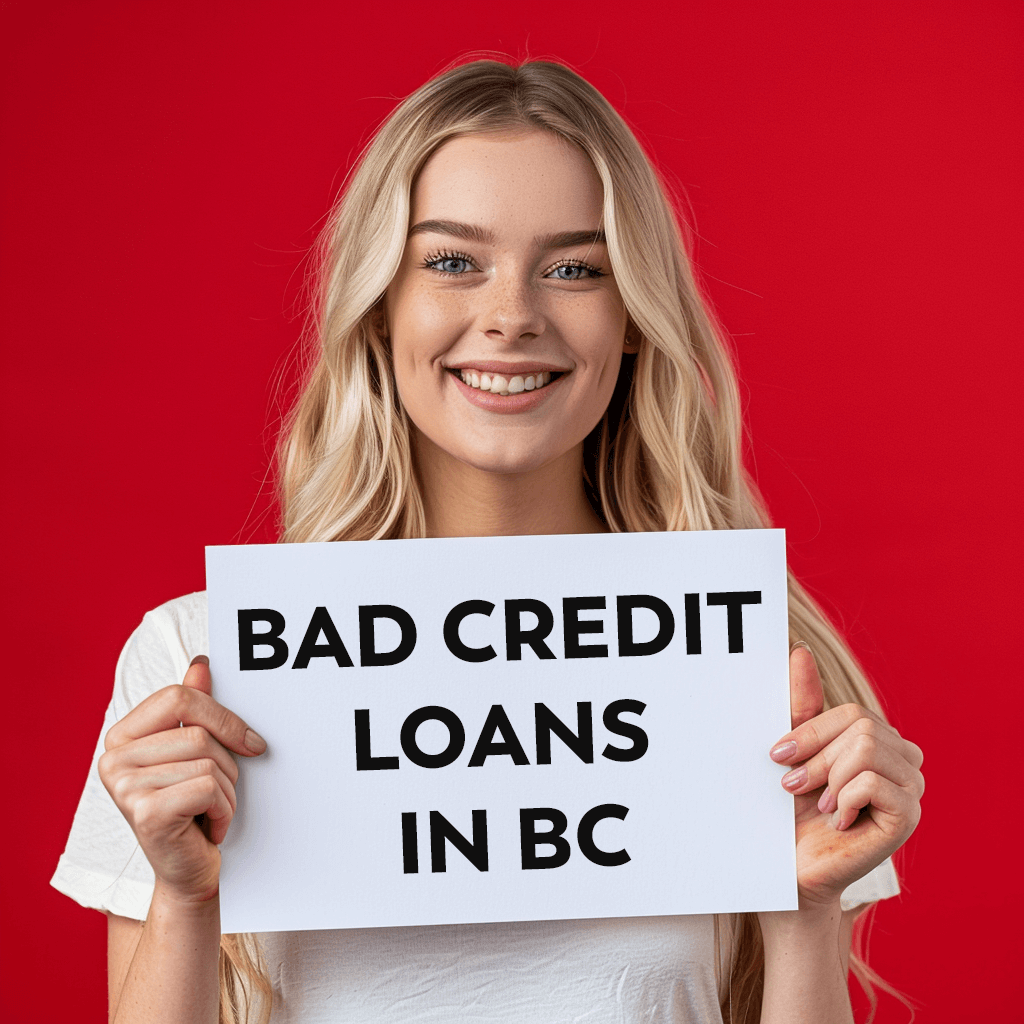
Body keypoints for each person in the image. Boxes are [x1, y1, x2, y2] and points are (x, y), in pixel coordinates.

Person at [52, 58, 925, 1024]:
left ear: (632, 316)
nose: (512, 315)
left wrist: (802, 913)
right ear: (382, 304)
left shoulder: (753, 658)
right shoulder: (200, 668)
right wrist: (185, 897)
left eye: (574, 268)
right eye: (453, 261)